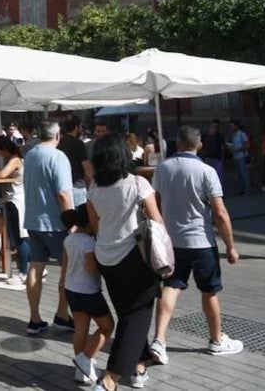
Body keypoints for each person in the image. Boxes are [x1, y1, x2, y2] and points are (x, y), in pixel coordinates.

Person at [151, 125, 244, 363]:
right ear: (199, 145)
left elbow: (155, 203)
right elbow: (220, 213)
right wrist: (230, 246)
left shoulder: (162, 169)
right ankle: (216, 339)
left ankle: (159, 340)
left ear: (177, 143)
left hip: (173, 241)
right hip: (202, 241)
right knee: (210, 291)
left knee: (170, 287)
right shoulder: (206, 171)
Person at [86, 133, 164, 390]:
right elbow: (156, 221)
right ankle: (110, 379)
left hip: (106, 257)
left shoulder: (94, 188)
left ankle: (138, 367)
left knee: (127, 312)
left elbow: (96, 226)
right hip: (135, 257)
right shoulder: (137, 183)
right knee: (136, 315)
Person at [22, 120, 73, 337]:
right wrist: (72, 220)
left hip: (33, 220)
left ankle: (34, 318)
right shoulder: (58, 156)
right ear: (58, 135)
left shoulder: (30, 154)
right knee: (68, 269)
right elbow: (63, 193)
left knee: (36, 267)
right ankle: (62, 314)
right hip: (55, 222)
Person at [60, 206, 114, 388]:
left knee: (80, 329)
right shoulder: (89, 243)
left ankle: (80, 370)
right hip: (89, 292)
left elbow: (66, 266)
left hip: (71, 290)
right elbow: (91, 269)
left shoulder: (69, 239)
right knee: (107, 327)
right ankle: (85, 358)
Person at [0, 136, 28, 288]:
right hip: (12, 200)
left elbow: (1, 175)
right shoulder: (15, 159)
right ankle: (28, 269)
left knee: (19, 238)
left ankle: (24, 273)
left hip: (17, 201)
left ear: (4, 149)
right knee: (17, 238)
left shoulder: (15, 159)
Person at [59, 115, 91, 207]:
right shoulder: (78, 143)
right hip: (77, 187)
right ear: (76, 127)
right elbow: (87, 169)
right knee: (80, 218)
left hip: (62, 187)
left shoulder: (59, 143)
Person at [227, 119, 250, 195]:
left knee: (243, 173)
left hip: (241, 156)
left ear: (236, 126)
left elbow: (246, 145)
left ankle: (247, 190)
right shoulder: (233, 135)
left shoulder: (242, 134)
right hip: (235, 156)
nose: (231, 127)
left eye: (232, 126)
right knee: (238, 174)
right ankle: (241, 189)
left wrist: (238, 149)